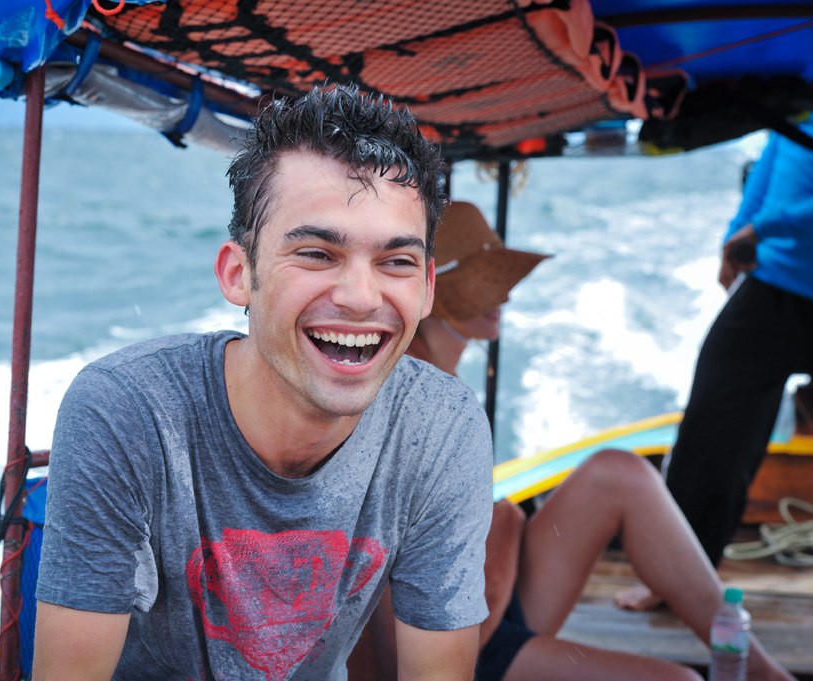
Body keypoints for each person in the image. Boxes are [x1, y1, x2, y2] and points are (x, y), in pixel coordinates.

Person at [31, 84, 494, 680]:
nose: (361, 297)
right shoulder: (128, 411)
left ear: (427, 288)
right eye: (317, 254)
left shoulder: (441, 426)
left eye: (395, 262)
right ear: (238, 273)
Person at [360, 201, 797, 681]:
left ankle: (762, 672)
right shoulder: (409, 400)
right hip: (451, 645)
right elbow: (392, 602)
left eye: (503, 284)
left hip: (484, 600)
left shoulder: (443, 378)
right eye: (485, 287)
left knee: (619, 472)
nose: (504, 298)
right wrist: (505, 531)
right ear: (432, 296)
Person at [663, 121, 813, 570]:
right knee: (710, 435)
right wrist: (736, 234)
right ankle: (681, 575)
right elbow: (777, 149)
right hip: (773, 284)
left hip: (775, 255)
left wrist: (761, 228)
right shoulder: (797, 83)